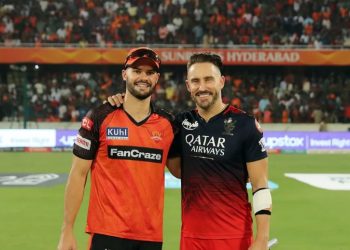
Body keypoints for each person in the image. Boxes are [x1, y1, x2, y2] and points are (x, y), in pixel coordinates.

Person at [108, 52, 272, 250]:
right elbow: (177, 171)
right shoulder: (180, 124)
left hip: (234, 237)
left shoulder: (246, 125)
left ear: (221, 82)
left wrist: (262, 239)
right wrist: (122, 101)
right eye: (195, 81)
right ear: (188, 86)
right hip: (191, 239)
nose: (202, 87)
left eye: (208, 79)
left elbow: (260, 186)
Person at [57, 47, 180, 250]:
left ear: (157, 78)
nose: (143, 77)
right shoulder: (99, 116)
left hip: (150, 237)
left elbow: (181, 170)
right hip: (107, 234)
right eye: (137, 71)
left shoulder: (168, 124)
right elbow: (78, 174)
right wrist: (67, 230)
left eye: (149, 73)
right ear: (125, 74)